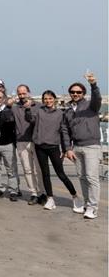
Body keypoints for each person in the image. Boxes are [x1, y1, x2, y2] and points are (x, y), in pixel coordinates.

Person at [25, 90, 79, 211]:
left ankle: (75, 196)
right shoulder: (39, 112)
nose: (48, 101)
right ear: (43, 100)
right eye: (45, 99)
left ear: (54, 99)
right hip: (40, 147)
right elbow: (30, 120)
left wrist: (65, 149)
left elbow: (64, 132)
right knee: (45, 174)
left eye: (50, 98)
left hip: (54, 147)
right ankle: (50, 198)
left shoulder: (61, 113)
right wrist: (28, 109)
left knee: (61, 174)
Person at [63, 72, 102, 219]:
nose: (75, 94)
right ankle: (87, 204)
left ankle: (93, 207)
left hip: (91, 146)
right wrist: (67, 148)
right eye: (72, 92)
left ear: (83, 93)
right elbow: (65, 130)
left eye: (78, 92)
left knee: (92, 177)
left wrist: (93, 84)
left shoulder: (91, 106)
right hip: (76, 147)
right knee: (82, 177)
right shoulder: (68, 110)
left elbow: (97, 98)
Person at [11, 85, 45, 205]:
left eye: (24, 93)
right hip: (21, 141)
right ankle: (33, 193)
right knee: (27, 169)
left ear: (29, 93)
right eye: (19, 94)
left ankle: (42, 192)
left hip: (36, 141)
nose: (22, 96)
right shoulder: (14, 108)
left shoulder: (39, 106)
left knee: (39, 169)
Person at [0, 90, 20, 201]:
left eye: (0, 97)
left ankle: (13, 190)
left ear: (4, 99)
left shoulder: (10, 111)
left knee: (11, 169)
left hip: (8, 144)